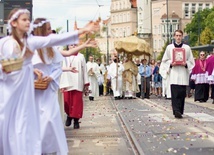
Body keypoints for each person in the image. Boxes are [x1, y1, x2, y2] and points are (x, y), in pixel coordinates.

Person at [0, 8, 99, 155]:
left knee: (24, 122)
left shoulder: (30, 41)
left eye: (29, 19)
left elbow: (53, 39)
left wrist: (82, 31)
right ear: (14, 23)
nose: (28, 22)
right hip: (10, 87)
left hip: (26, 88)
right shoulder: (5, 43)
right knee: (7, 121)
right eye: (24, 20)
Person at [161, 30, 195, 119]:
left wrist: (186, 64)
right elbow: (164, 60)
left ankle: (180, 110)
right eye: (177, 35)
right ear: (174, 36)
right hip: (174, 74)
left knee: (181, 94)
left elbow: (191, 61)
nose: (178, 37)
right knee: (175, 94)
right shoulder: (169, 48)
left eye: (180, 35)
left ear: (182, 36)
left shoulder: (187, 48)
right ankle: (176, 111)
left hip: (183, 73)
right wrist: (171, 63)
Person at [61, 45, 93, 129]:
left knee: (76, 103)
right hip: (66, 81)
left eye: (75, 45)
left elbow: (84, 70)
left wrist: (86, 83)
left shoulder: (81, 56)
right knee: (67, 101)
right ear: (68, 46)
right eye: (71, 45)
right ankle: (69, 115)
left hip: (77, 82)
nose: (73, 46)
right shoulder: (64, 56)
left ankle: (76, 120)